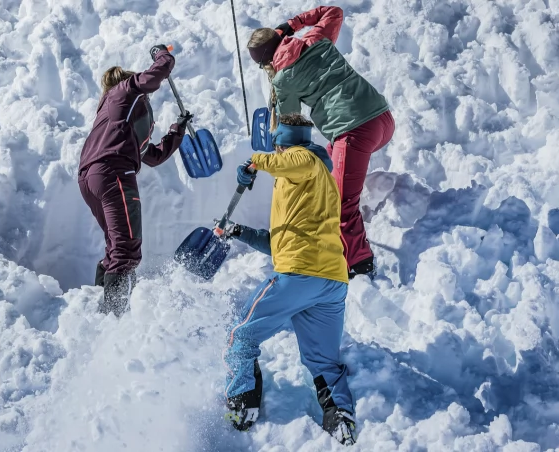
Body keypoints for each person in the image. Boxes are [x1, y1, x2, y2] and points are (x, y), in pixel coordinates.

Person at [219, 113, 356, 446]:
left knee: (241, 334)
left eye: (277, 148)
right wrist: (238, 232)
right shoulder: (316, 183)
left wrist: (254, 161)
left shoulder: (305, 158)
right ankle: (340, 416)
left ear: (281, 145)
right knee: (324, 360)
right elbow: (280, 242)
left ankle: (242, 405)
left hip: (299, 275)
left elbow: (293, 158)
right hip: (330, 282)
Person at [247, 6, 395, 280]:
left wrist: (280, 152)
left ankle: (359, 265)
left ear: (266, 62)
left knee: (338, 202)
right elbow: (334, 12)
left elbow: (292, 128)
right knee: (329, 162)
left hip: (355, 132)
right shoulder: (315, 39)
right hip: (382, 120)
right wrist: (292, 24)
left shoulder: (283, 80)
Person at [78, 45, 193, 316]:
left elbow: (151, 155)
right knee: (127, 252)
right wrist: (162, 55)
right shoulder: (122, 93)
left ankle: (98, 314)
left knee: (116, 247)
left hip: (92, 178)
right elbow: (155, 75)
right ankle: (114, 320)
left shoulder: (117, 121)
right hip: (114, 172)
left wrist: (177, 130)